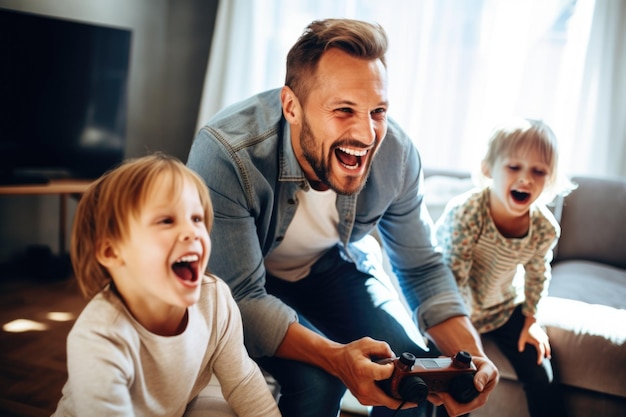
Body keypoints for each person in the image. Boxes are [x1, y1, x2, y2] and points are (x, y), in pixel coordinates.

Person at [187, 18, 498, 417]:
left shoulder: (397, 155)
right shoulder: (226, 154)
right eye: (344, 110)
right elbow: (241, 297)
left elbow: (421, 267)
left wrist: (470, 357)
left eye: (377, 111)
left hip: (327, 268)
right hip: (246, 284)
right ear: (291, 107)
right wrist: (336, 358)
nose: (367, 134)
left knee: (408, 374)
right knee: (320, 384)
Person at [52, 153, 280, 417]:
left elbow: (242, 381)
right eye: (166, 221)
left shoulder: (215, 300)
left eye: (196, 218)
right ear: (112, 251)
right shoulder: (100, 338)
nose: (193, 231)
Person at [434, 119, 575, 417]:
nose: (526, 179)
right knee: (459, 382)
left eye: (538, 171)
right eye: (514, 167)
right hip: (453, 309)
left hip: (503, 307)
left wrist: (531, 320)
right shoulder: (468, 212)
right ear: (489, 169)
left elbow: (538, 273)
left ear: (550, 179)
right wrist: (465, 337)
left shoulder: (544, 228)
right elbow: (452, 276)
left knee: (541, 372)